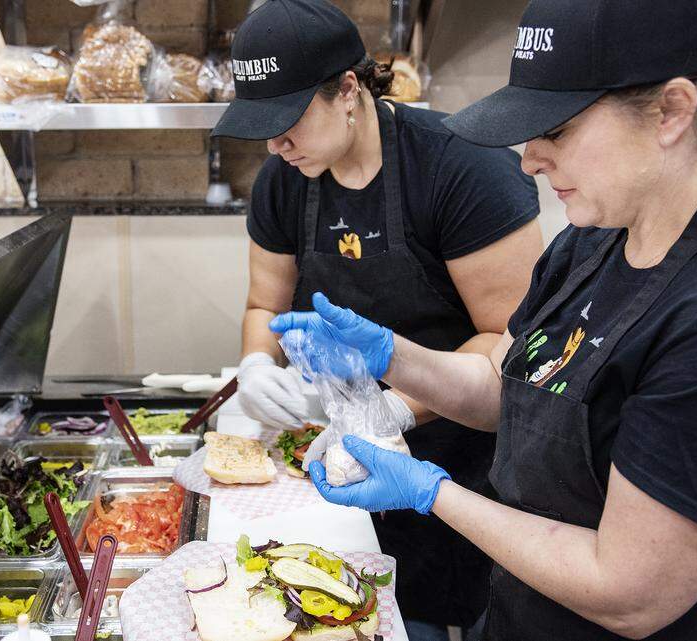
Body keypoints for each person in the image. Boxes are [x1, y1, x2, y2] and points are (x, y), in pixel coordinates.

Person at [270, 0, 697, 639]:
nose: (529, 160)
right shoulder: (594, 239)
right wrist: (391, 358)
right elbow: (508, 389)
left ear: (671, 110)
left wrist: (432, 492)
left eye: (554, 129)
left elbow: (627, 593)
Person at [210, 0, 543, 637]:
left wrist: (392, 409)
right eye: (262, 126)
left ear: (348, 89)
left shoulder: (461, 168)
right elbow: (264, 305)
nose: (275, 144)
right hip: (346, 468)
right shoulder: (284, 180)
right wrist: (256, 366)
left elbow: (513, 342)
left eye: (287, 121)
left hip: (467, 467)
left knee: (463, 615)